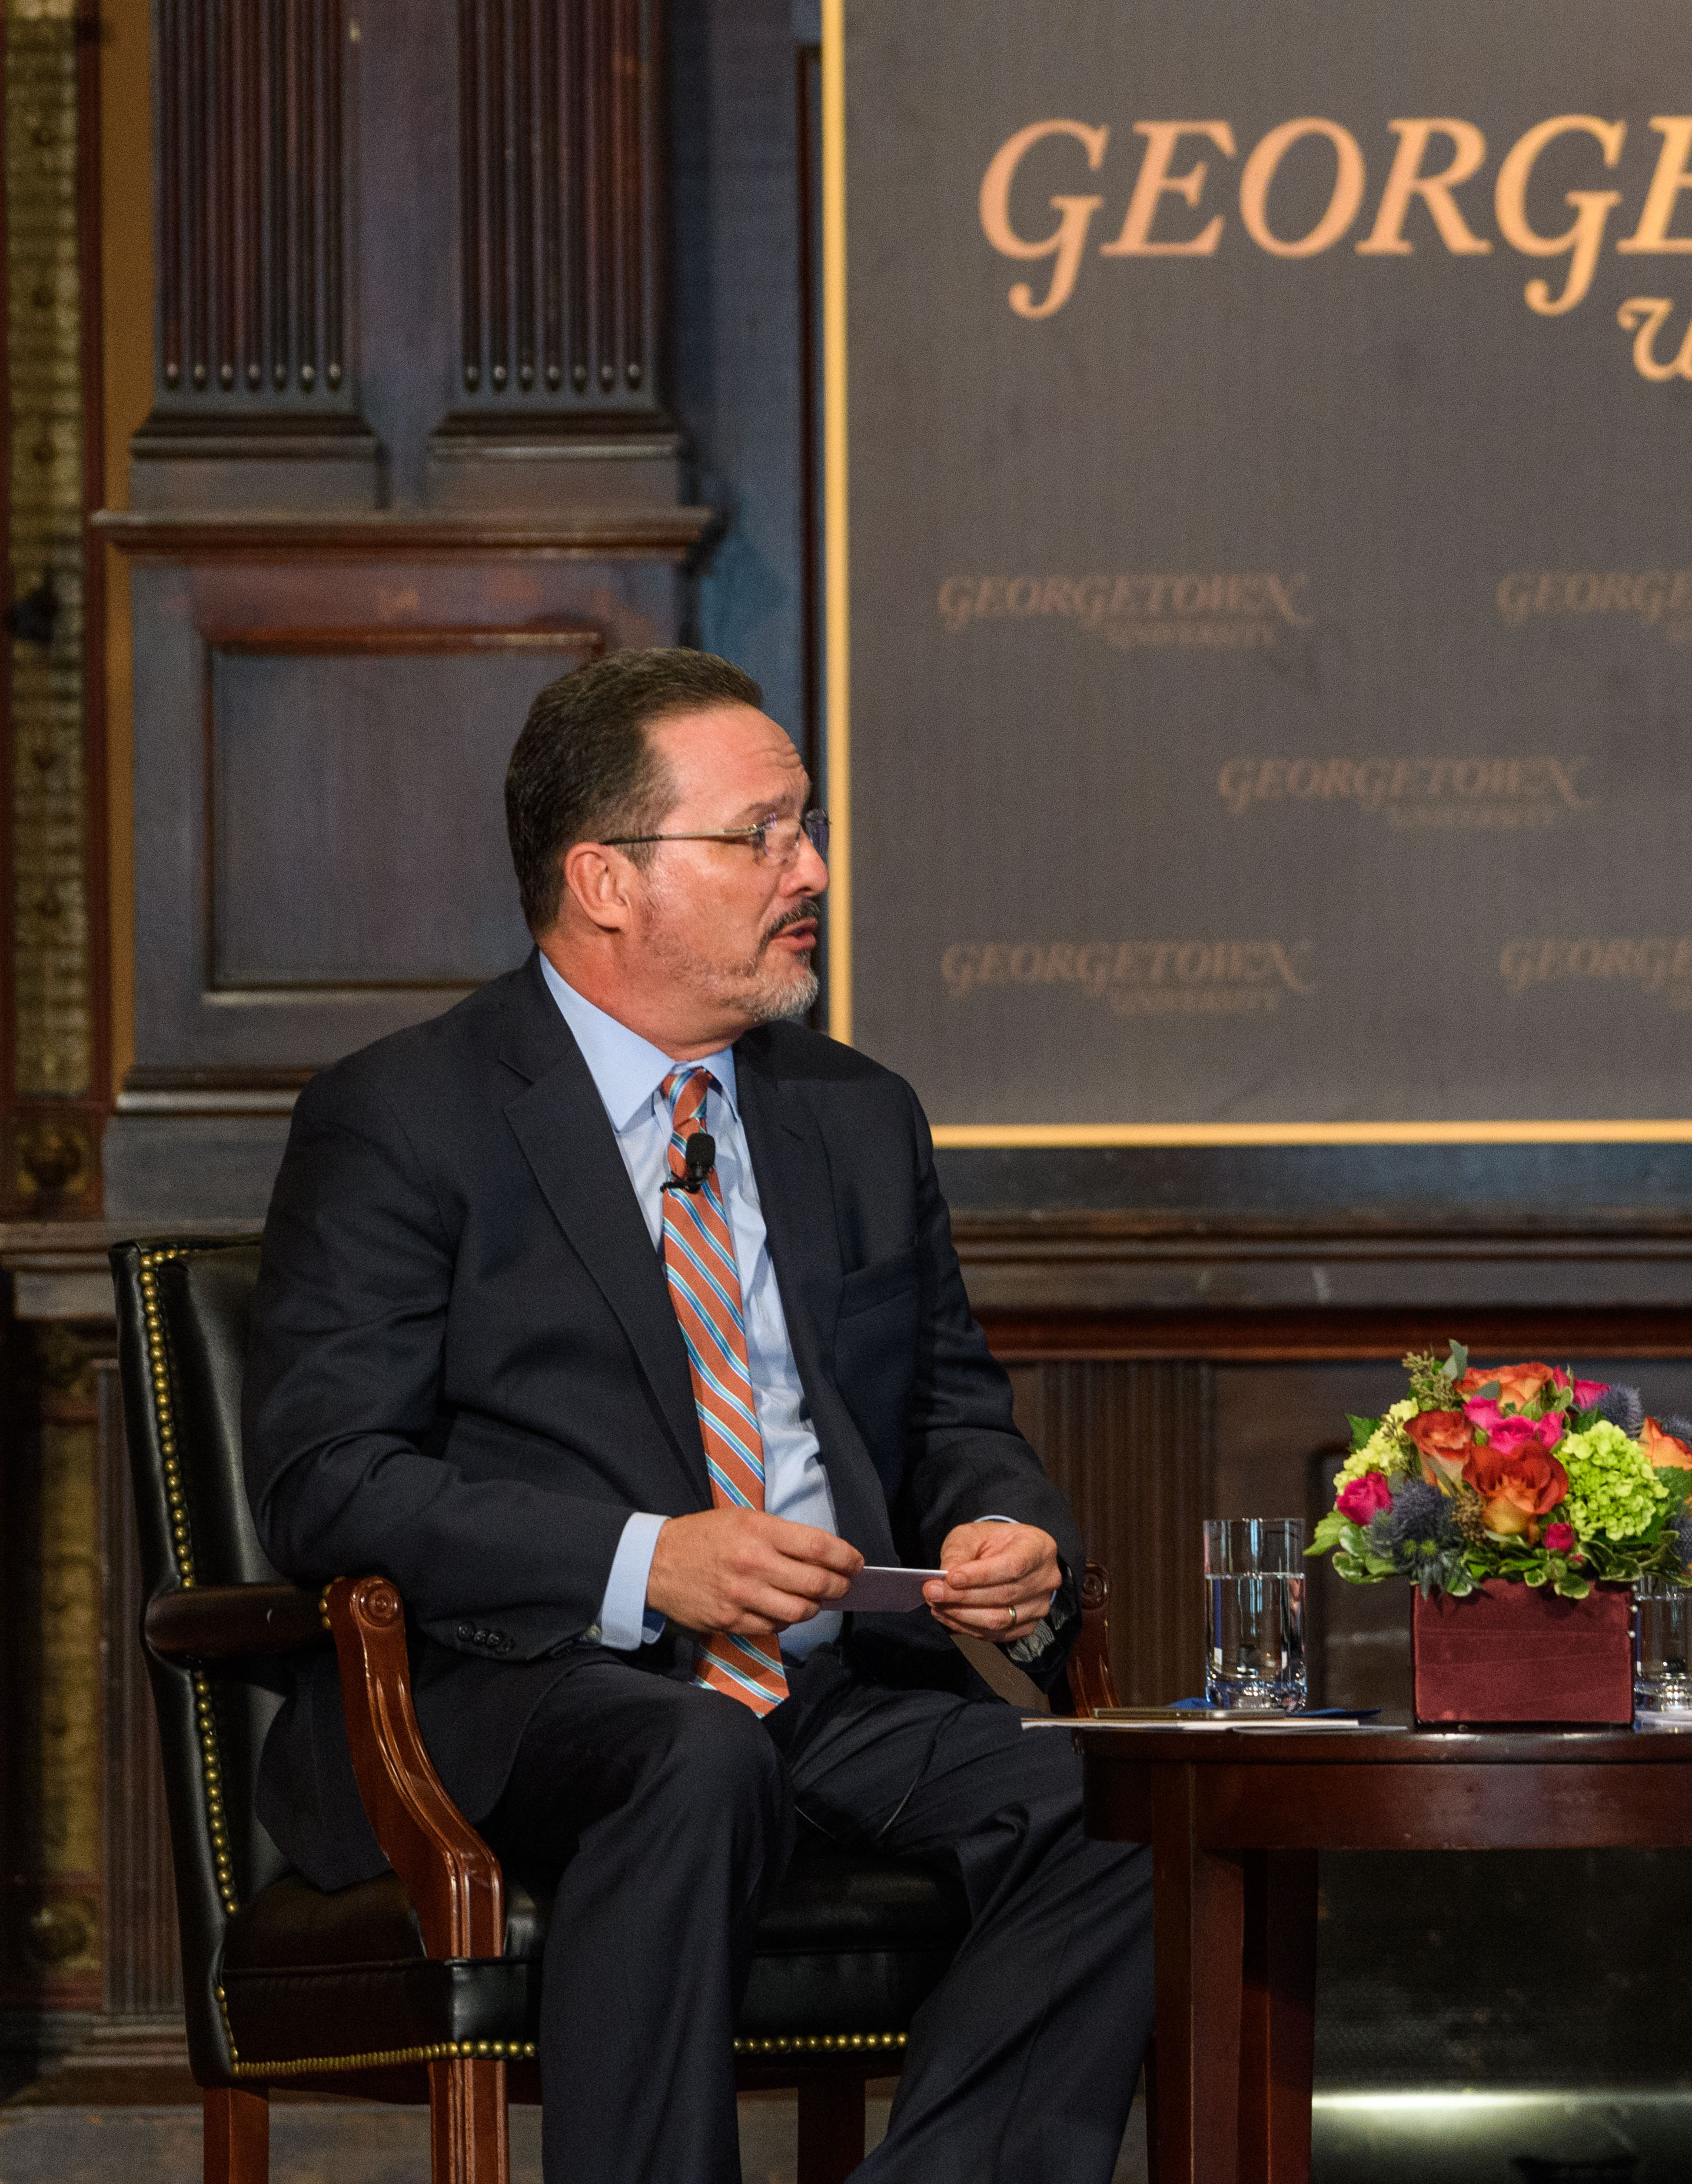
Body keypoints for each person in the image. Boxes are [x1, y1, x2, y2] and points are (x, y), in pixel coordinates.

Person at [243, 648, 1150, 2183]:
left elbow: (949, 1415)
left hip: (826, 1687)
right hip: (521, 1689)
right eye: (762, 835)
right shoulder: (409, 1115)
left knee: (1130, 1804)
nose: (812, 871)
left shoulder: (854, 1113)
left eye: (805, 829)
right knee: (689, 1761)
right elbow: (328, 1480)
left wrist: (1009, 1527)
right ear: (606, 878)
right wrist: (644, 1558)